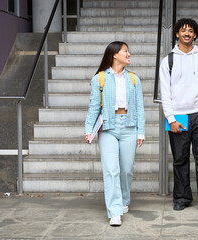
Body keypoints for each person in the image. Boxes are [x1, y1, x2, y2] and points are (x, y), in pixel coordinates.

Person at [160, 18, 198, 216]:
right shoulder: (168, 60)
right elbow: (165, 92)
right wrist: (171, 118)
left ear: (195, 34)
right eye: (183, 30)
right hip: (178, 115)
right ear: (176, 33)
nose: (187, 33)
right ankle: (181, 198)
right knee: (179, 159)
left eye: (191, 30)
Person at [84, 41, 145, 226]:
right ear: (114, 55)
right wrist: (88, 129)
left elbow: (140, 108)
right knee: (111, 170)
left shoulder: (134, 79)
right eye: (125, 51)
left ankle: (124, 200)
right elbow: (94, 106)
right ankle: (115, 211)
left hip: (129, 127)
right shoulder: (99, 79)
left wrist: (141, 131)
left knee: (126, 170)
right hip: (108, 129)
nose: (129, 54)